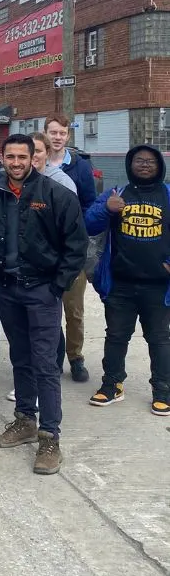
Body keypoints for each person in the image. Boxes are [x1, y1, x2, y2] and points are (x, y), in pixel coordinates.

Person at [0, 135, 87, 476]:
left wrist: (57, 286)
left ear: (33, 159)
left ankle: (50, 437)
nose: (15, 162)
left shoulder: (56, 195)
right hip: (8, 290)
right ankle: (24, 421)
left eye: (22, 156)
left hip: (42, 291)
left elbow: (76, 246)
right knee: (21, 358)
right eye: (10, 156)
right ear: (3, 158)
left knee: (45, 364)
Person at [85, 145, 170, 417]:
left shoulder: (168, 195)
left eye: (150, 161)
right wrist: (107, 211)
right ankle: (112, 385)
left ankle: (162, 390)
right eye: (138, 161)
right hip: (120, 283)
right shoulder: (116, 193)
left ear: (159, 166)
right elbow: (89, 225)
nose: (144, 165)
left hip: (157, 286)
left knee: (159, 339)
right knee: (116, 336)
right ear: (129, 165)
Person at [45, 113, 96, 383]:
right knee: (47, 307)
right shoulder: (37, 164)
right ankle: (54, 357)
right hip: (44, 251)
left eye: (62, 133)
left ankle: (75, 357)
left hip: (72, 250)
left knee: (73, 310)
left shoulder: (79, 167)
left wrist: (76, 233)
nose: (57, 137)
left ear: (68, 136)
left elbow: (90, 203)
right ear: (45, 133)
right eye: (53, 132)